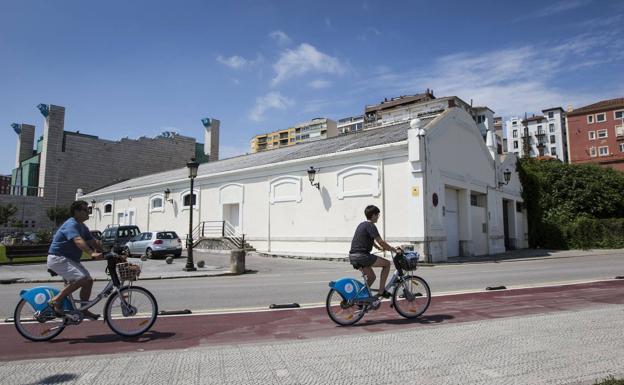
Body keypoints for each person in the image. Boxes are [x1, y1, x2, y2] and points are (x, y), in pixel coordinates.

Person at [47, 200, 103, 320]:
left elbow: (93, 242)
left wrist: (109, 252)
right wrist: (91, 253)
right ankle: (56, 300)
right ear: (77, 212)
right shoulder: (71, 224)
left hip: (70, 260)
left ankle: (84, 309)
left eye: (89, 210)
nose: (88, 212)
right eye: (85, 210)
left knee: (88, 281)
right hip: (58, 258)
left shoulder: (83, 227)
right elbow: (78, 240)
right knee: (81, 278)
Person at [349, 205, 401, 299]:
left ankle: (360, 298)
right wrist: (393, 249)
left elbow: (369, 239)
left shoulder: (362, 224)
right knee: (387, 264)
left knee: (372, 277)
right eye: (377, 215)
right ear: (373, 215)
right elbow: (381, 241)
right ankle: (381, 291)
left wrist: (378, 248)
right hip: (362, 256)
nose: (378, 217)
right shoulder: (371, 225)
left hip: (353, 256)